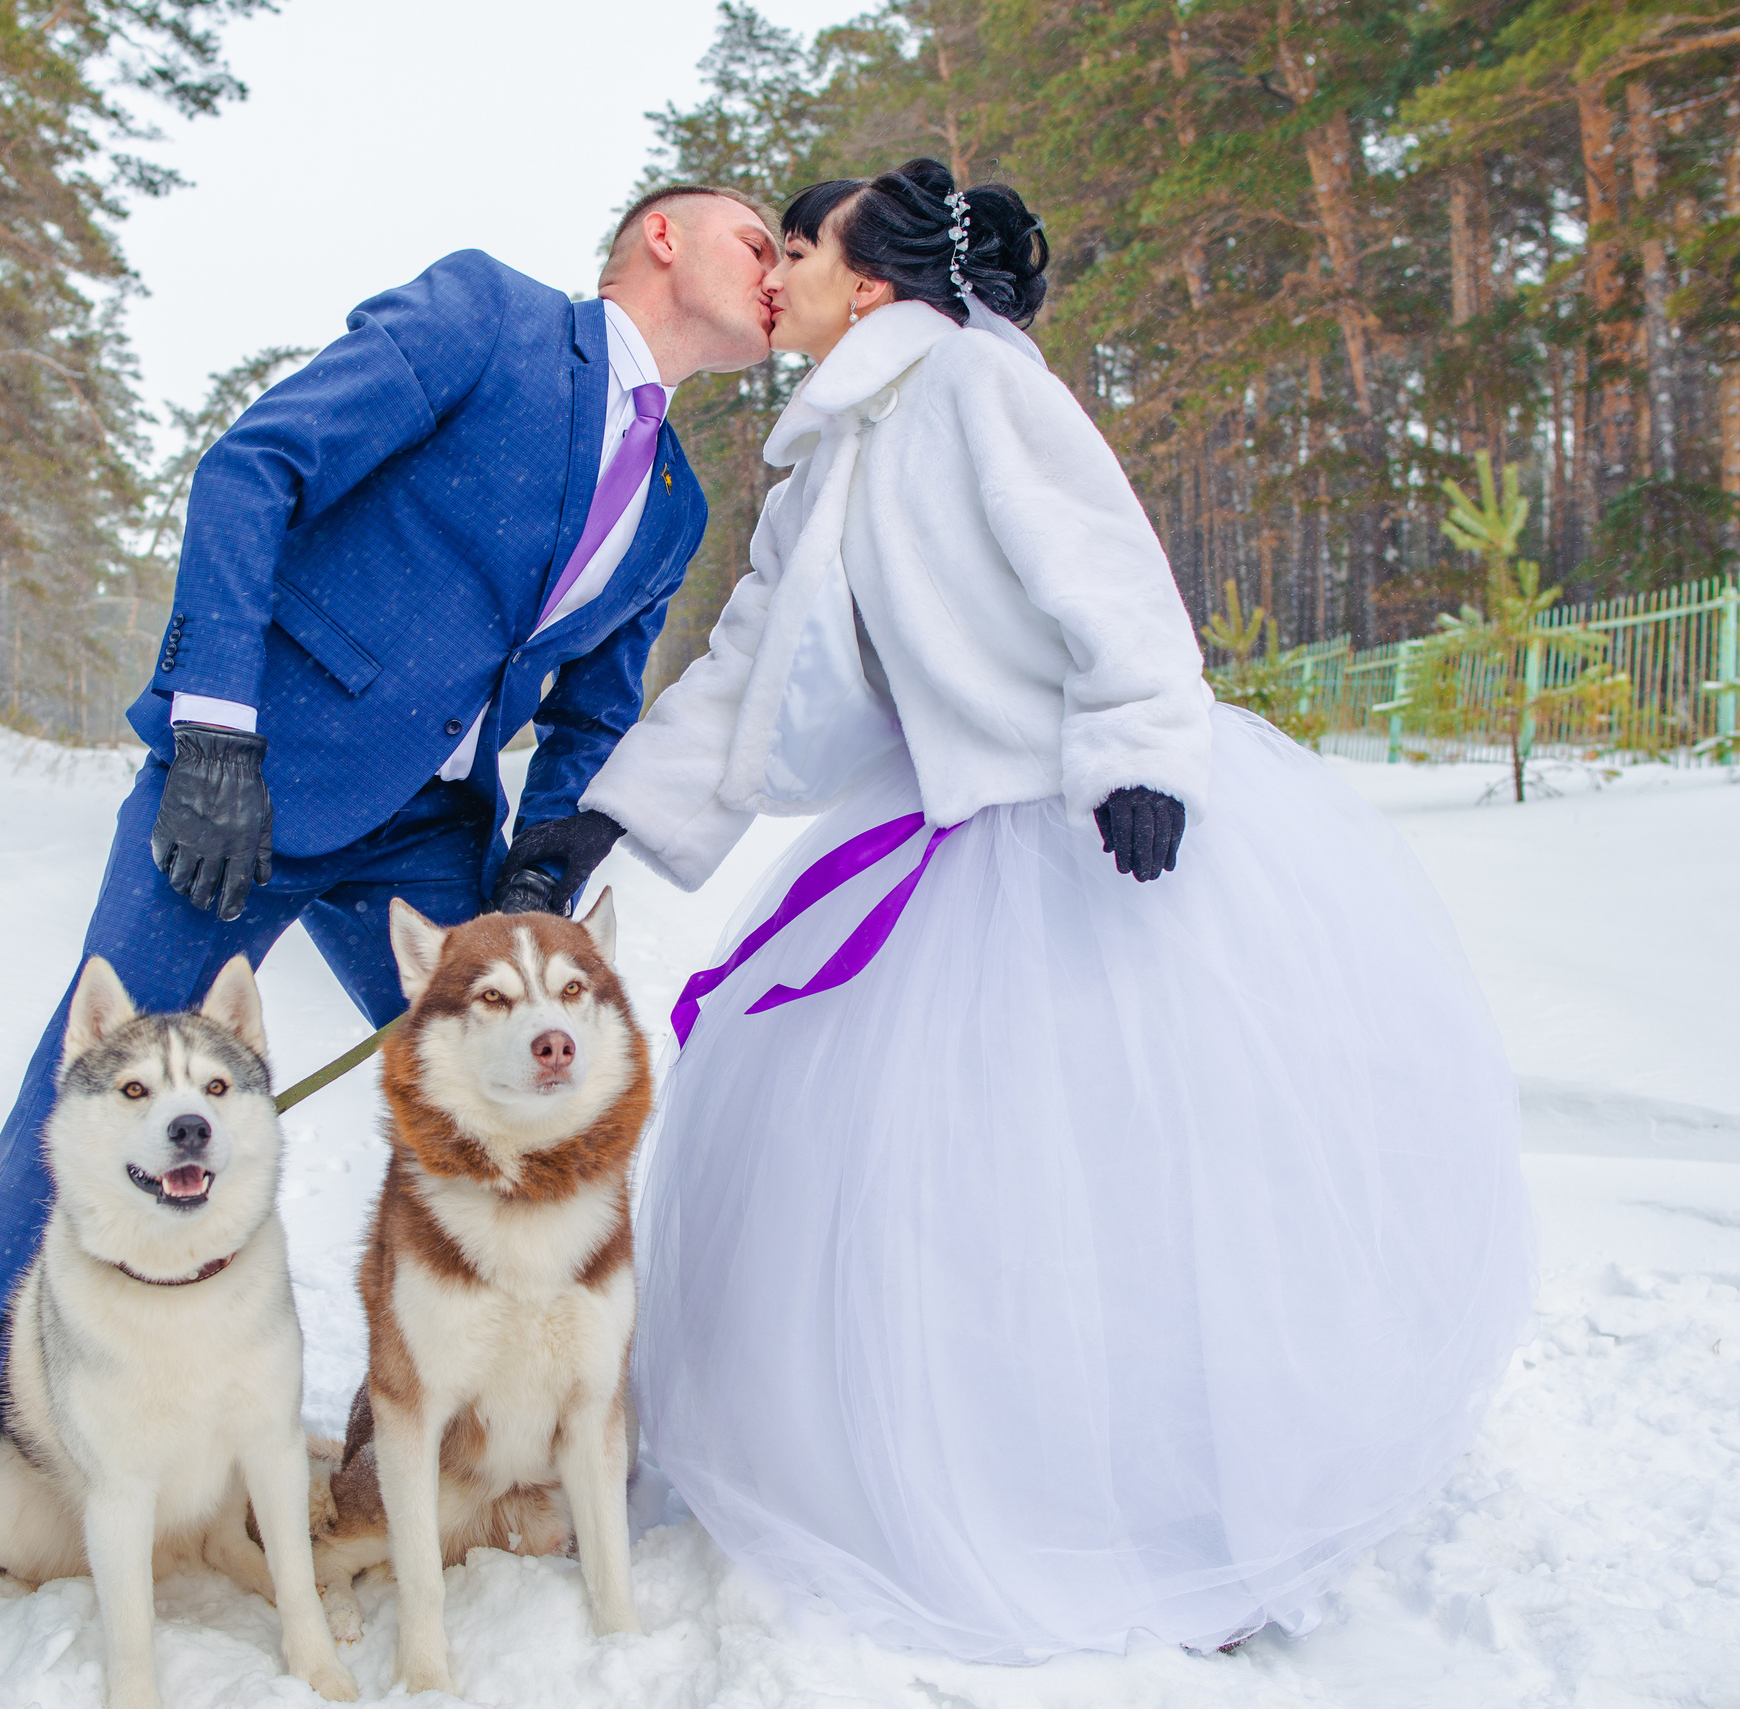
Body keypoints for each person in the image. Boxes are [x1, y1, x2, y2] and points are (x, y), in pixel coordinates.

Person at [579, 159, 1536, 1661]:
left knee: (1124, 1186)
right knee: (936, 1202)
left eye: (800, 249)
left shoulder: (972, 383)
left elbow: (1104, 565)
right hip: (939, 831)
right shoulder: (823, 453)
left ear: (871, 281)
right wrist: (612, 811)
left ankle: (1183, 1509)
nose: (777, 278)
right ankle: (936, 1483)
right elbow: (747, 666)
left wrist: (1142, 747)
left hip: (1080, 830)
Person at [0, 187, 783, 1657]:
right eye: (757, 239)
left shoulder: (672, 501)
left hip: (427, 834)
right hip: (242, 787)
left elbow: (593, 710)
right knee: (72, 1112)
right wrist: (215, 728)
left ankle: (460, 1447)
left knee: (518, 1107)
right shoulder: (489, 318)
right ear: (662, 239)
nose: (782, 270)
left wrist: (540, 867)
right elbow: (254, 468)